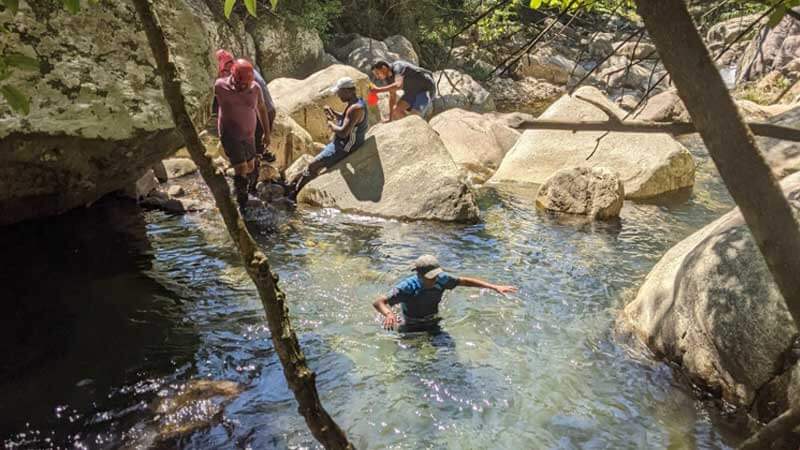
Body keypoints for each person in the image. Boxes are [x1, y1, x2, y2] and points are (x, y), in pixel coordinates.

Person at [373, 255, 518, 333]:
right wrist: (389, 314)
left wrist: (494, 287)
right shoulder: (407, 287)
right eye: (431, 276)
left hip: (433, 322)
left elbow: (465, 281)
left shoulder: (442, 279)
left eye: (436, 275)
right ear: (419, 275)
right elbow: (379, 302)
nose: (434, 279)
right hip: (410, 324)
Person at [287, 77, 368, 199]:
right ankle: (294, 186)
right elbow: (348, 119)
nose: (337, 95)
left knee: (312, 166)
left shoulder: (355, 109)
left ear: (348, 91)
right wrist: (334, 113)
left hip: (345, 147)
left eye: (339, 92)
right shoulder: (356, 103)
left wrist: (331, 124)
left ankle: (293, 196)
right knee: (313, 164)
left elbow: (343, 133)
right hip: (341, 143)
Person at [214, 50, 276, 194]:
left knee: (251, 166)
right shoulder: (220, 87)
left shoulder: (255, 87)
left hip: (248, 135)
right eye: (242, 84)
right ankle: (242, 202)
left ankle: (251, 190)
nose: (245, 87)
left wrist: (267, 134)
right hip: (230, 134)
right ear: (233, 77)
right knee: (241, 168)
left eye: (247, 84)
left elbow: (262, 108)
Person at [370, 59, 436, 121]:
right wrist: (390, 118)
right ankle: (411, 129)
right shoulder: (388, 79)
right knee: (396, 111)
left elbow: (398, 85)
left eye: (377, 73)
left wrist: (378, 90)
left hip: (426, 89)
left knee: (414, 117)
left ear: (384, 68)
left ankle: (421, 130)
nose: (377, 77)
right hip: (412, 92)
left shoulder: (398, 66)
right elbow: (392, 97)